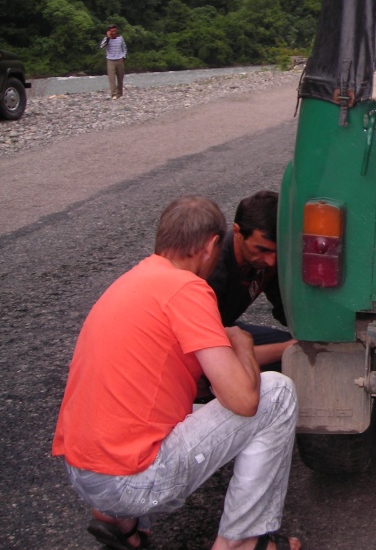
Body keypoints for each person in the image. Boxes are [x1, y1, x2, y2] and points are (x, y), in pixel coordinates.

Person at [52, 196, 301, 550]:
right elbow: (244, 401)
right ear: (213, 245)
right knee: (275, 394)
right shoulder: (188, 288)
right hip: (129, 482)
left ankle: (121, 524)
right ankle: (242, 542)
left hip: (84, 475)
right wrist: (242, 343)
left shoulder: (133, 280)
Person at [207, 191, 295, 368]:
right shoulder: (214, 271)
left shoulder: (268, 260)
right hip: (204, 342)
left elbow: (284, 309)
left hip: (225, 329)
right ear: (238, 232)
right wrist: (287, 348)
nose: (271, 261)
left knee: (297, 349)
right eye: (262, 250)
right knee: (290, 353)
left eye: (276, 251)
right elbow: (210, 352)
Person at [99, 24, 127, 99]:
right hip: (110, 60)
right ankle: (113, 94)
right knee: (112, 78)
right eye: (112, 31)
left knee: (120, 78)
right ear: (109, 32)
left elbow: (124, 48)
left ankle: (120, 93)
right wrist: (108, 38)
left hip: (119, 59)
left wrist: (124, 56)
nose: (113, 32)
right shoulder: (106, 39)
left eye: (114, 30)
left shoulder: (120, 38)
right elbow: (101, 46)